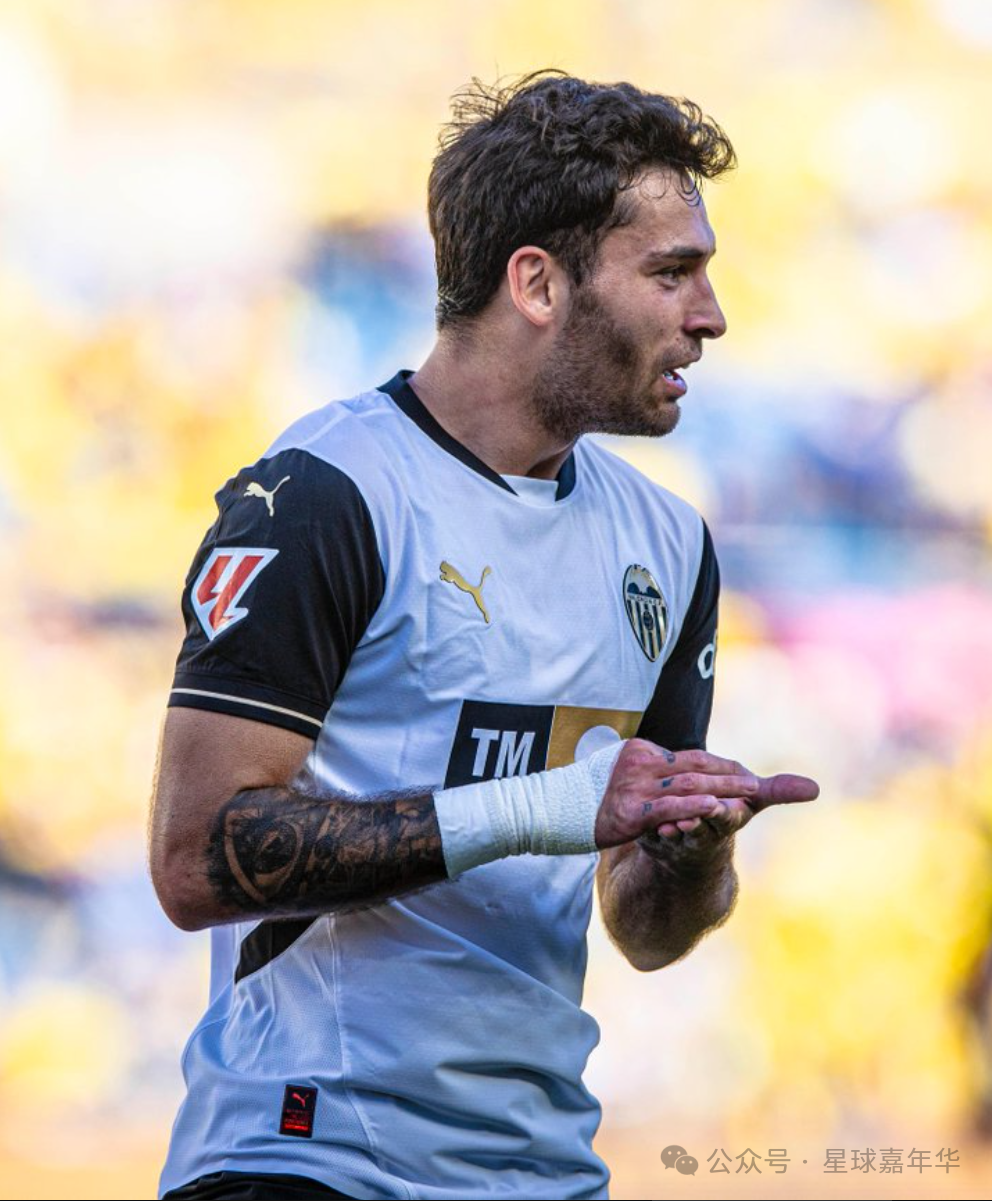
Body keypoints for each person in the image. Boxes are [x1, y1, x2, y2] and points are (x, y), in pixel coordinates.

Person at [150, 71, 819, 1201]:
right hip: (302, 1153)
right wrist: (545, 806)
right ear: (536, 283)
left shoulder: (668, 543)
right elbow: (194, 859)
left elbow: (645, 930)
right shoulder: (323, 494)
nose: (709, 317)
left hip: (540, 1167)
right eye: (670, 273)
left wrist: (686, 852)